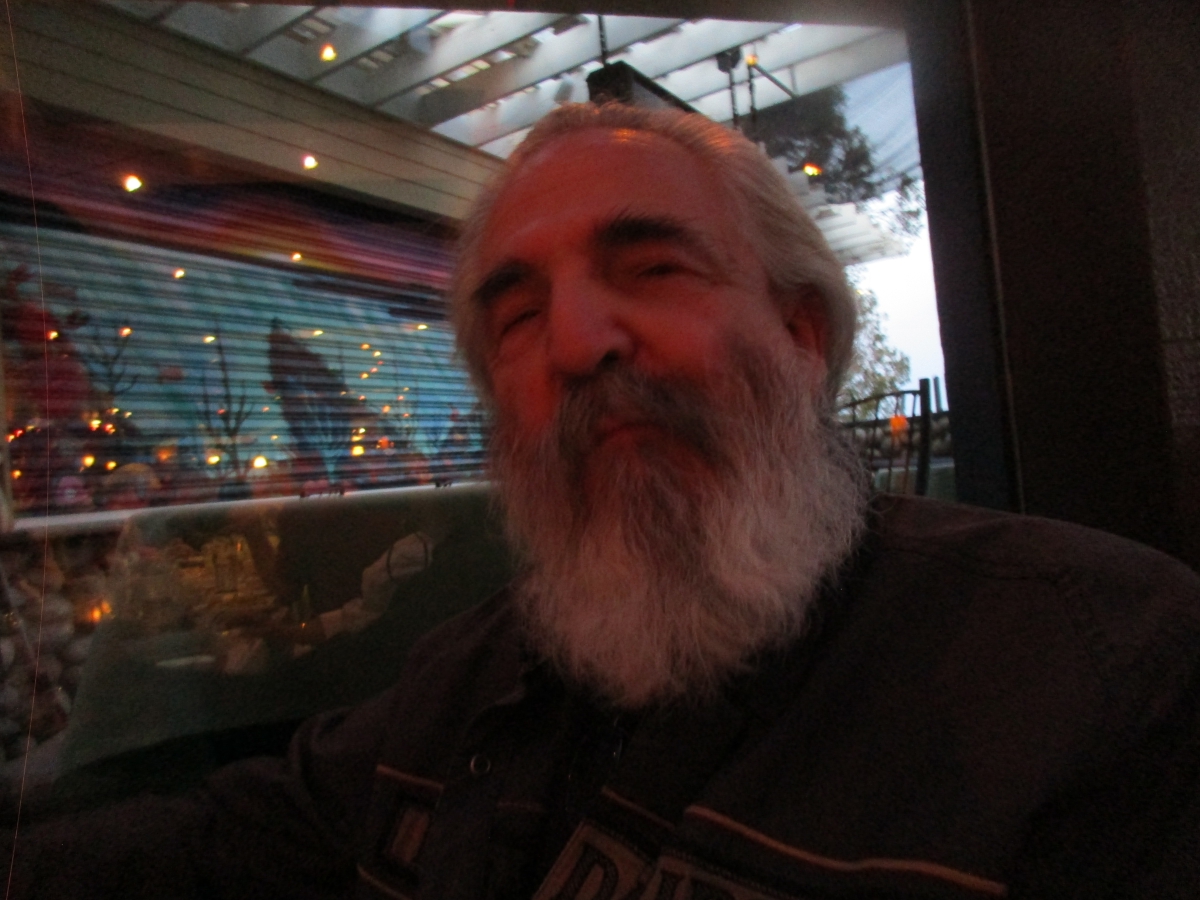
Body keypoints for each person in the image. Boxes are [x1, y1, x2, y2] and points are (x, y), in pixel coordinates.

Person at [5, 102, 1200, 899]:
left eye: (656, 269)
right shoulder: (464, 683)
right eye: (519, 318)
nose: (577, 343)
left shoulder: (1092, 667)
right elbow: (213, 844)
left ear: (801, 335)